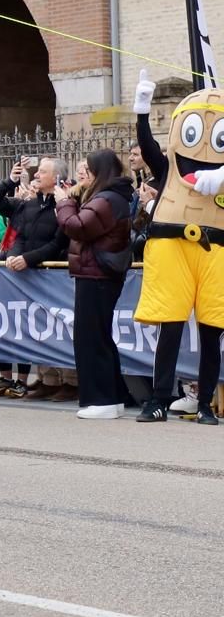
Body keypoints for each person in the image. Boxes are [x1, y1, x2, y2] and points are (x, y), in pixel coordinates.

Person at [129, 73, 224, 424]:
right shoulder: (168, 167)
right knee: (170, 325)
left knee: (213, 330)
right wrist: (142, 110)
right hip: (173, 246)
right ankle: (158, 399)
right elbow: (149, 147)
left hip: (216, 252)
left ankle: (205, 404)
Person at [54, 149, 135, 421]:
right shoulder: (110, 197)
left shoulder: (108, 199)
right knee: (98, 337)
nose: (83, 175)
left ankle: (101, 399)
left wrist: (64, 202)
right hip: (97, 273)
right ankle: (112, 398)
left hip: (97, 274)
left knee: (91, 339)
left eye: (88, 170)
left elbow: (77, 226)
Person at [0, 156, 69, 397]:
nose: (37, 175)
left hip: (50, 276)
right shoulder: (29, 204)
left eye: (43, 171)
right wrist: (10, 257)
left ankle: (69, 382)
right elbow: (19, 234)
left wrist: (27, 259)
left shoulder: (64, 206)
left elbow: (57, 243)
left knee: (56, 329)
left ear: (57, 178)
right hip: (25, 276)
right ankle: (47, 380)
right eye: (37, 171)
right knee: (34, 330)